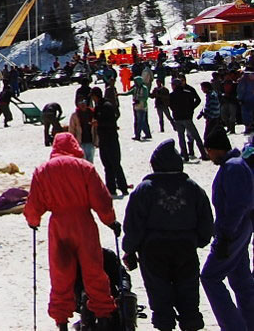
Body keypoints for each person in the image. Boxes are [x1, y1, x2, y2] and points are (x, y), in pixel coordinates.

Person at [23, 132, 121, 330]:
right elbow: (101, 199)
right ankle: (102, 317)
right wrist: (110, 221)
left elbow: (34, 203)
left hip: (59, 225)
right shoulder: (85, 168)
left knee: (61, 275)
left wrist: (33, 221)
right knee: (94, 271)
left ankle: (61, 322)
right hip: (84, 224)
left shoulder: (43, 171)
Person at [123, 139, 213, 331]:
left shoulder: (145, 189)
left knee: (160, 296)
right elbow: (206, 220)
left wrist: (129, 250)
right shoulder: (193, 188)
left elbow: (133, 223)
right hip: (186, 248)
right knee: (188, 296)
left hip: (153, 251)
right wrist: (198, 240)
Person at [201, 123, 254, 329]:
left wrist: (224, 237)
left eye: (208, 151)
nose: (208, 155)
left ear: (216, 149)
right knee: (241, 281)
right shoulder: (237, 164)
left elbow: (238, 206)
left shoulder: (232, 167)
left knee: (210, 277)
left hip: (233, 233)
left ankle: (233, 326)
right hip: (242, 231)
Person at [97, 87, 131, 198]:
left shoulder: (107, 106)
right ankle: (111, 189)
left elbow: (111, 122)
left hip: (111, 139)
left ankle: (123, 187)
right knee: (107, 165)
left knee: (116, 164)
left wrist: (99, 123)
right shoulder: (98, 107)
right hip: (103, 140)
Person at [169, 77, 206, 162]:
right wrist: (191, 108)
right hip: (187, 117)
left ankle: (185, 156)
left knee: (181, 138)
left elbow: (171, 106)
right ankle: (203, 153)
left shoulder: (171, 95)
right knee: (196, 136)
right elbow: (196, 101)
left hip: (178, 118)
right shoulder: (188, 93)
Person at [69, 94, 98, 164]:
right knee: (82, 162)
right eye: (80, 102)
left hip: (91, 142)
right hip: (80, 143)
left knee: (90, 162)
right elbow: (71, 130)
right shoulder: (75, 115)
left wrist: (97, 141)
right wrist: (73, 144)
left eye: (84, 101)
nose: (82, 104)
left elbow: (96, 129)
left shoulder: (92, 113)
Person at [132, 72, 153, 142]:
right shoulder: (135, 88)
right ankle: (147, 134)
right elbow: (129, 92)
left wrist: (138, 99)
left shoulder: (144, 88)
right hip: (136, 107)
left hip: (142, 107)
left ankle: (138, 135)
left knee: (140, 122)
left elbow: (145, 97)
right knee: (142, 121)